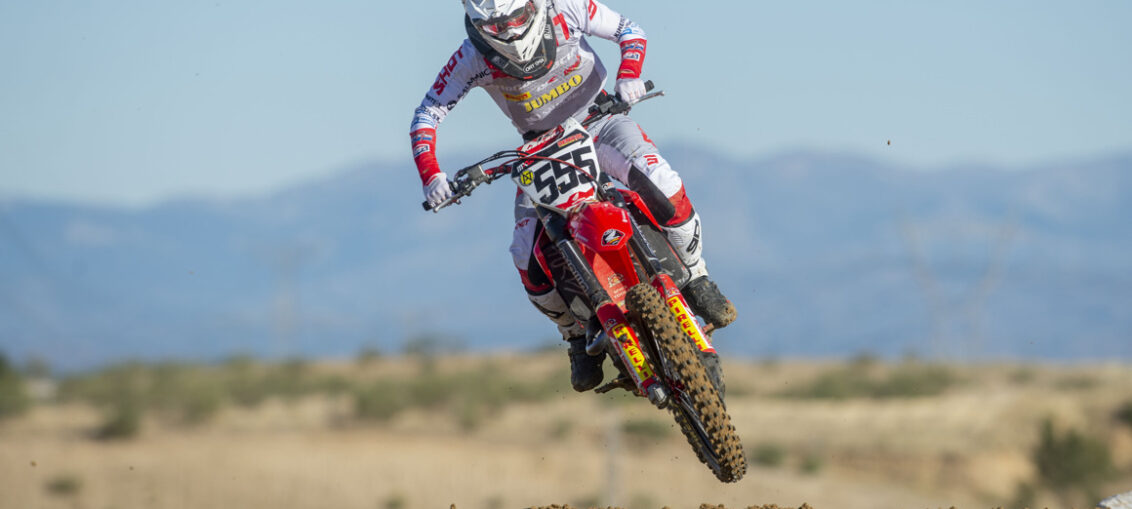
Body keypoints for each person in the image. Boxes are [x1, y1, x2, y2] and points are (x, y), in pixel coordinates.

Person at [410, 0, 735, 392]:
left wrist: (629, 75)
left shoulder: (566, 7)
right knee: (524, 253)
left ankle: (697, 278)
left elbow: (629, 30)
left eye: (517, 18)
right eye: (496, 26)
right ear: (478, 24)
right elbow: (427, 114)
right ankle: (576, 336)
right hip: (539, 151)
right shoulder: (470, 57)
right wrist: (432, 175)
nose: (510, 31)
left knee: (662, 182)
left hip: (600, 119)